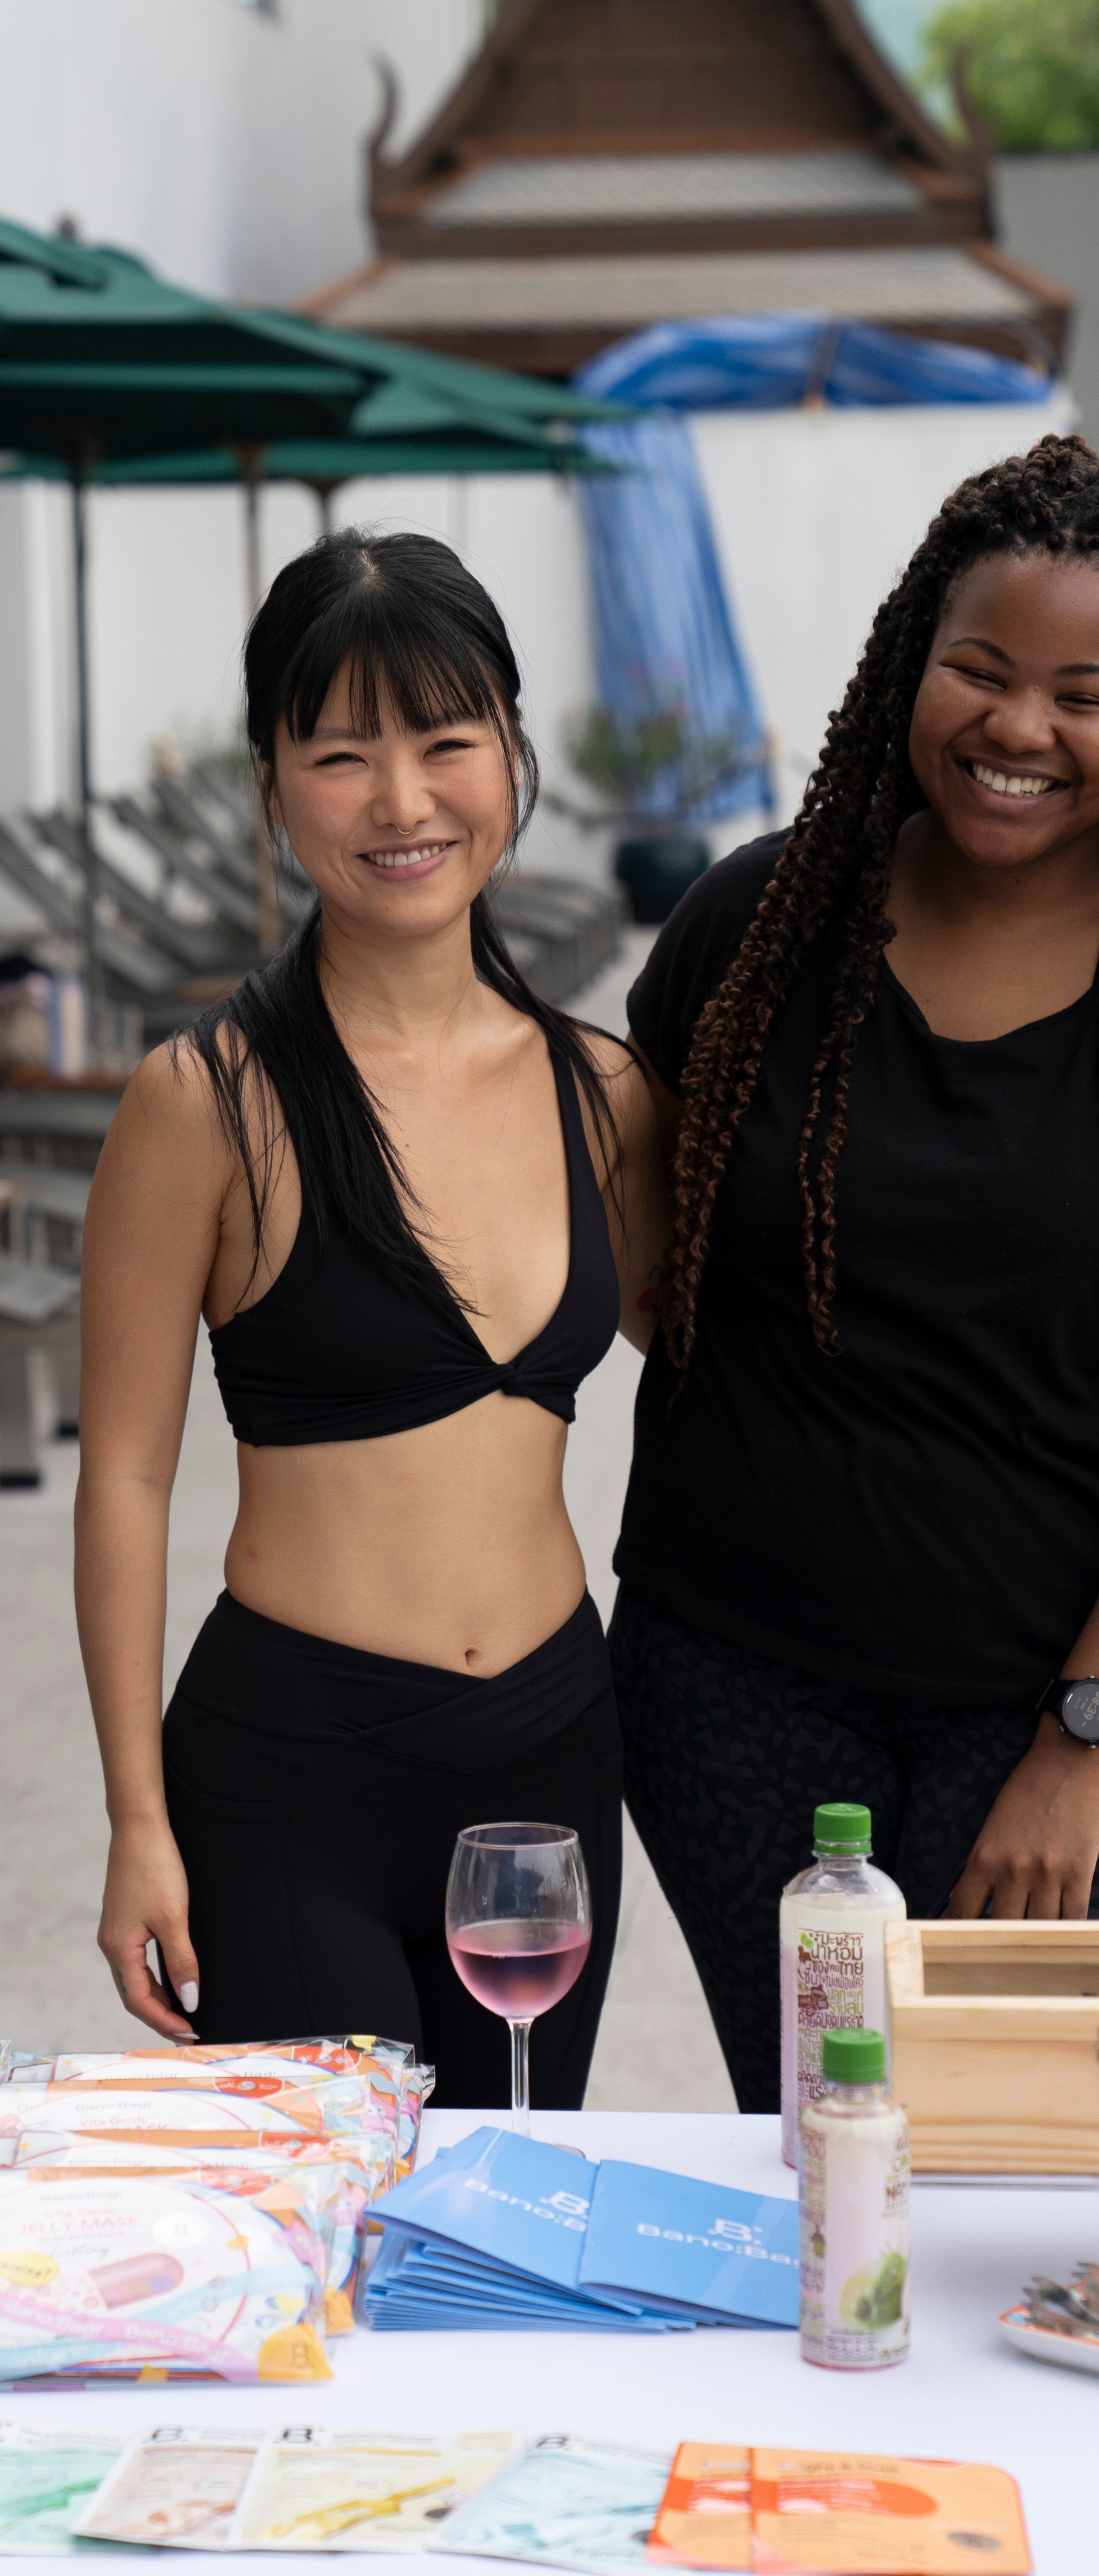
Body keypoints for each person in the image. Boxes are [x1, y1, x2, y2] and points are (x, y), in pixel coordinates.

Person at [610, 436, 1099, 2112]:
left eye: (1084, 693)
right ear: (912, 664)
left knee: (1042, 2178)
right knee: (817, 2156)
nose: (1020, 729)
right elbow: (633, 1263)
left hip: (1065, 1716)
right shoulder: (757, 924)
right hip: (731, 1685)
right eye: (981, 669)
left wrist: (1083, 1731)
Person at [78, 530, 666, 2108]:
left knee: (502, 2245)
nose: (403, 803)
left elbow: (732, 1366)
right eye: (342, 754)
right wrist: (137, 1816)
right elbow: (125, 1474)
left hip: (550, 1767)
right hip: (293, 1774)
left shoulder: (601, 1092)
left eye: (445, 741)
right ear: (274, 784)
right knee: (327, 2272)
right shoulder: (203, 1105)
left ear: (512, 757)